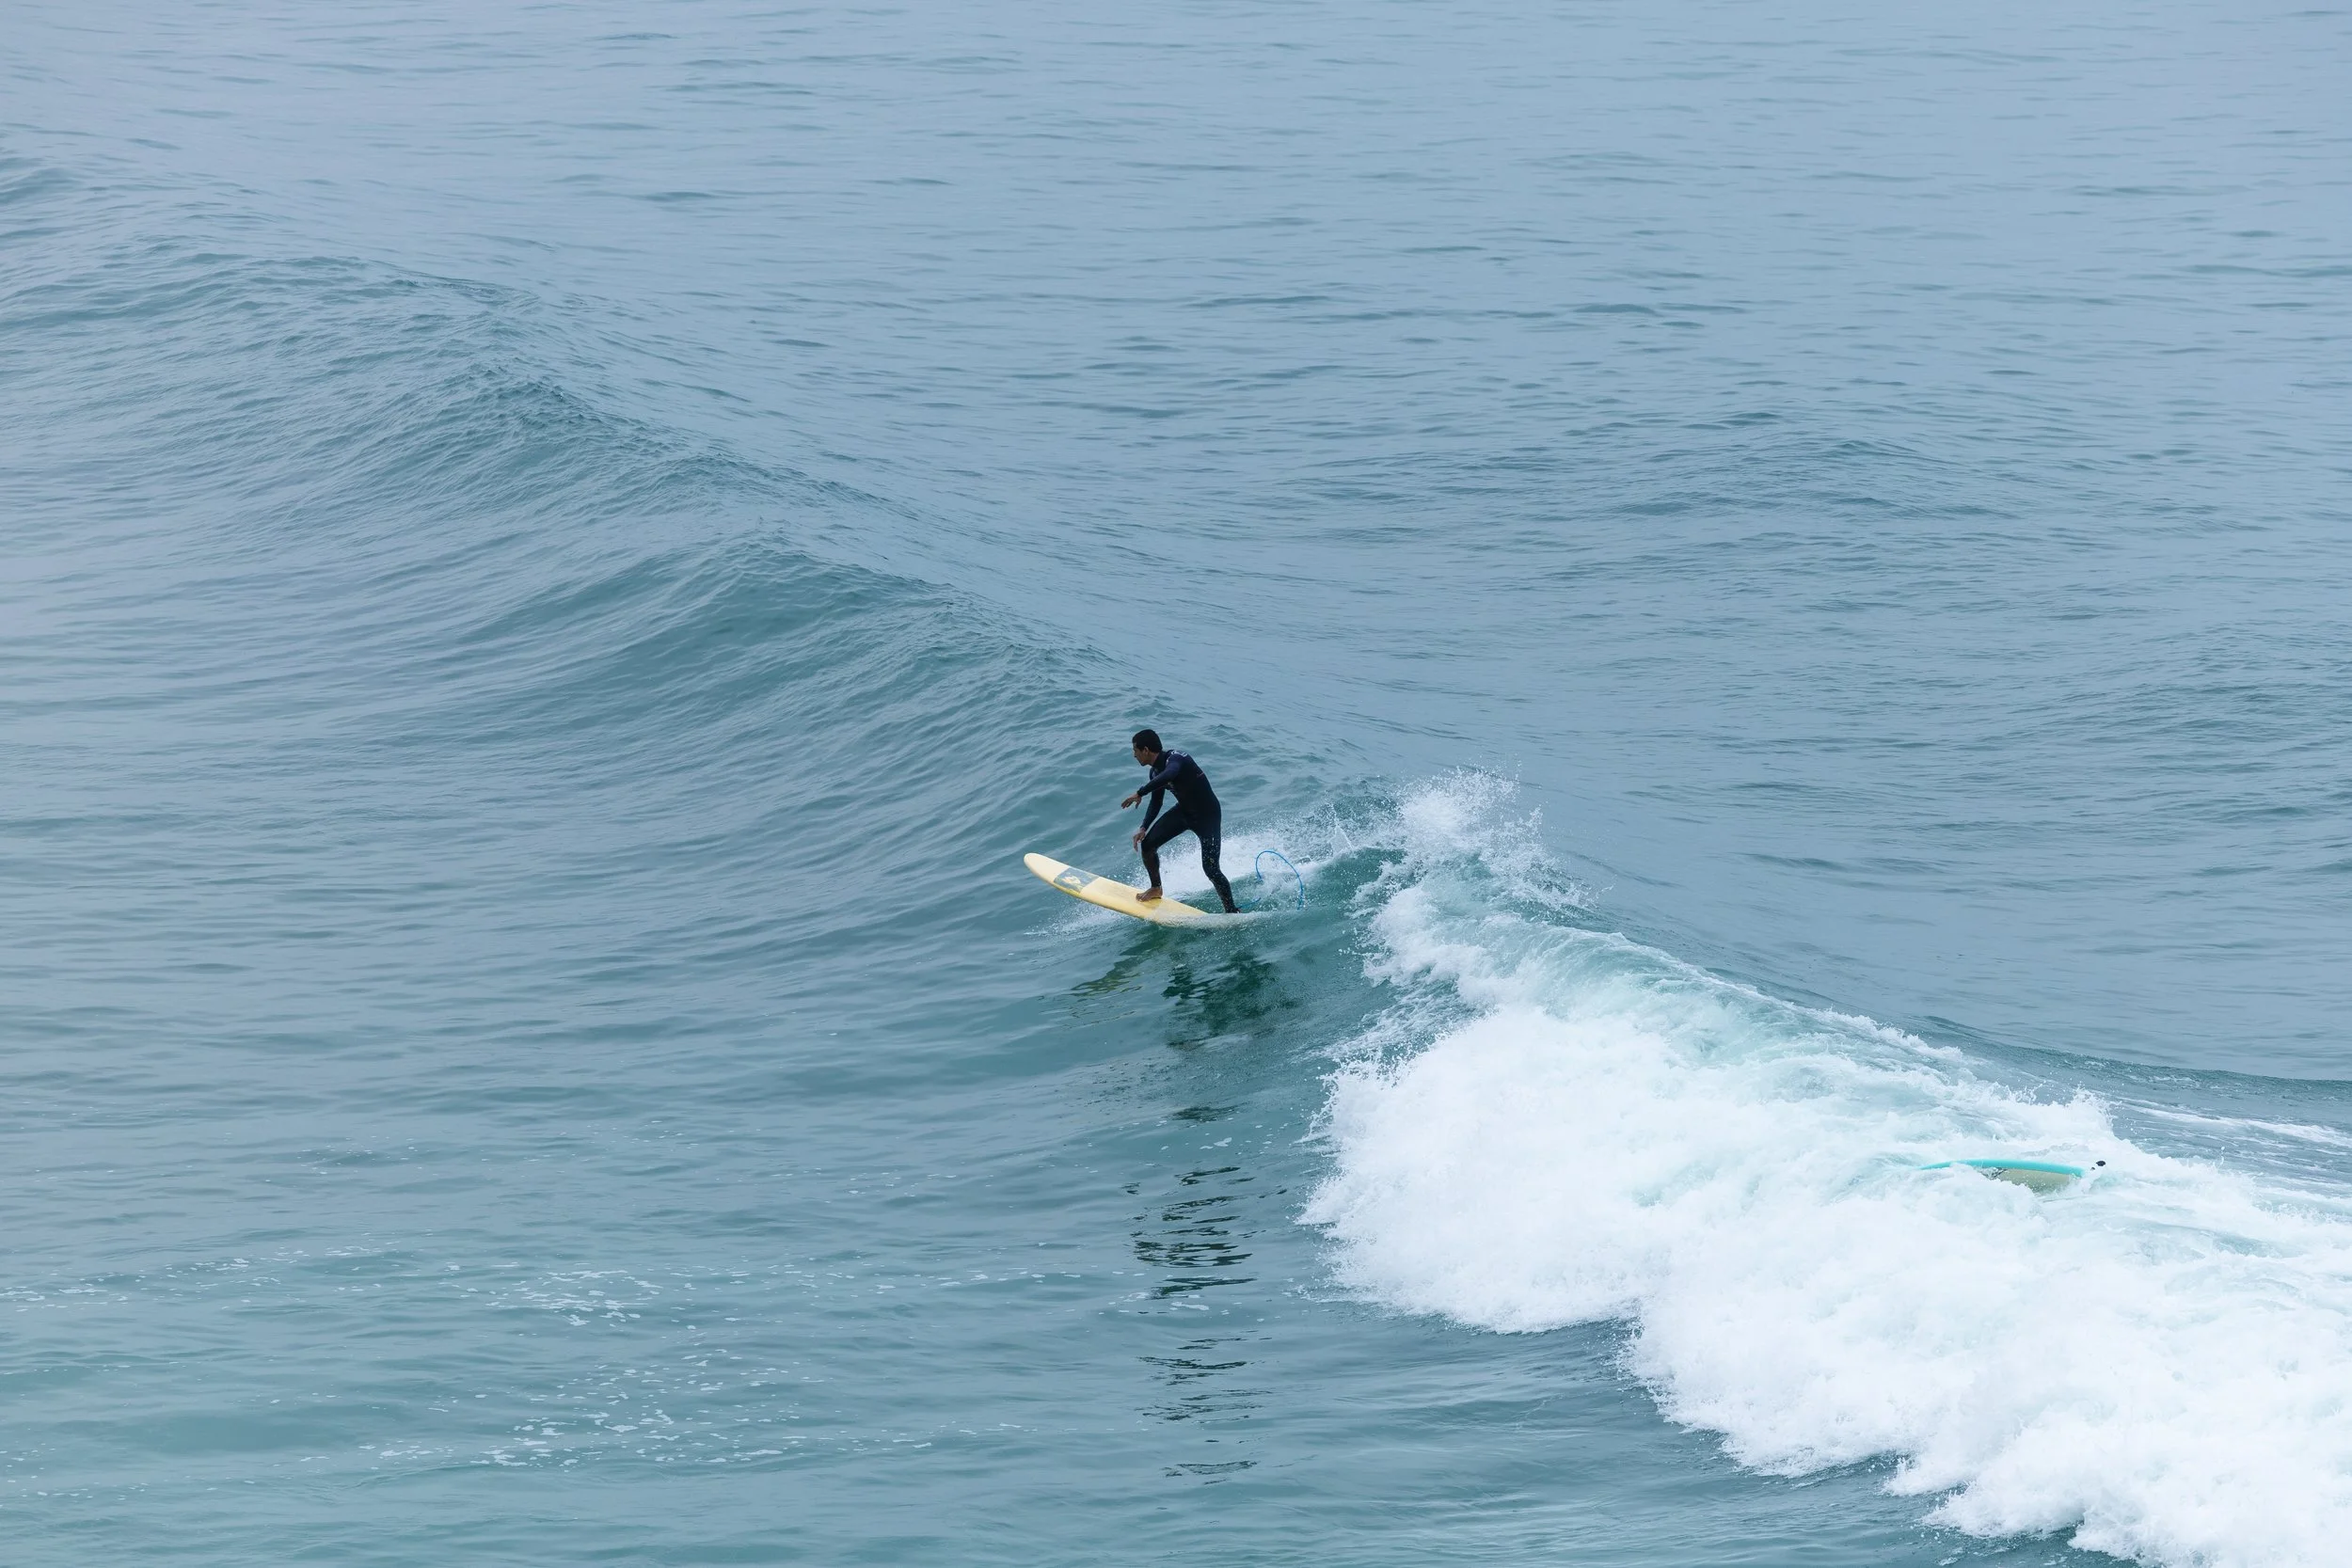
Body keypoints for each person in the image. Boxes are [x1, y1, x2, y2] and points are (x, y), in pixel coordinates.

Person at [1119, 729, 1239, 913]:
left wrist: (1140, 792)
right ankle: (1156, 888)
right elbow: (1156, 801)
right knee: (1148, 845)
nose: (1134, 755)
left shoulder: (1176, 759)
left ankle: (1232, 912)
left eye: (1135, 750)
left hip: (1208, 816)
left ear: (1145, 750)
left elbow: (1170, 775)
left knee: (1211, 869)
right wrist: (1144, 827)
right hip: (1184, 812)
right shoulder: (1154, 772)